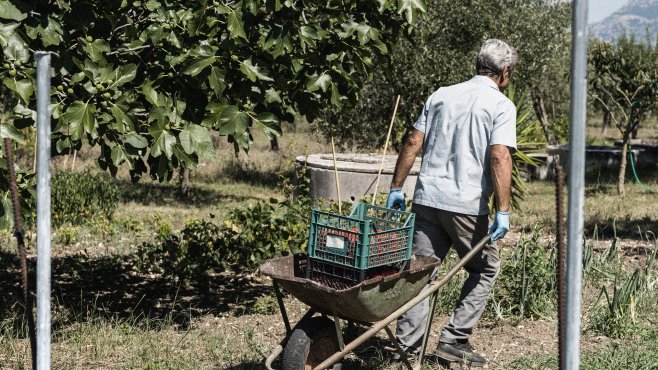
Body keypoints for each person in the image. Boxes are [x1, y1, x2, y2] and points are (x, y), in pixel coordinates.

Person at [386, 39, 517, 367]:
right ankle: (454, 341)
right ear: (504, 72)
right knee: (485, 268)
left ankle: (406, 350)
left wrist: (396, 187)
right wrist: (503, 211)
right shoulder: (501, 105)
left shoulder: (441, 94)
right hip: (466, 206)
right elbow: (500, 155)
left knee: (421, 273)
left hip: (427, 200)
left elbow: (414, 140)